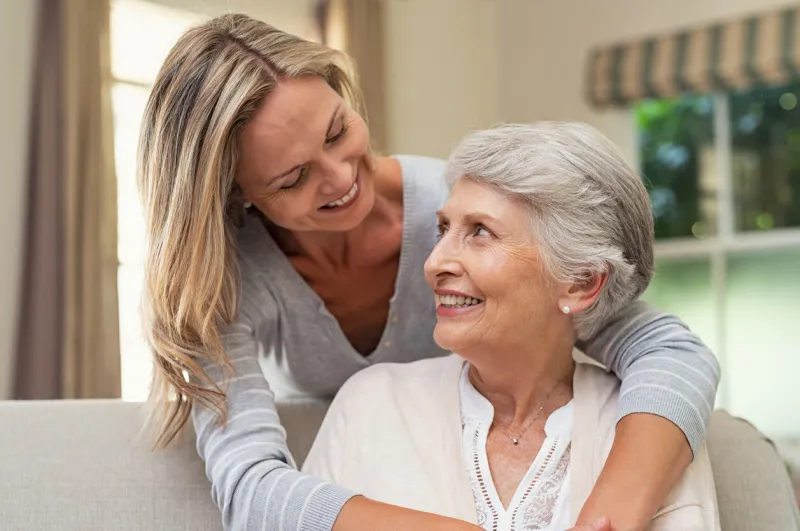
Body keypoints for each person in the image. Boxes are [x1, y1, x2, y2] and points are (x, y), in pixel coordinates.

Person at [137, 13, 720, 531]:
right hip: (341, 478)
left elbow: (664, 348)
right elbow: (250, 491)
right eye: (293, 179)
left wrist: (608, 516)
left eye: (338, 132)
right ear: (236, 194)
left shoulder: (456, 206)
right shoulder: (223, 282)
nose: (341, 178)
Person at [302, 122, 721, 530]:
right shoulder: (370, 404)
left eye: (480, 232)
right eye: (443, 228)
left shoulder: (649, 429)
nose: (433, 263)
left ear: (581, 282)